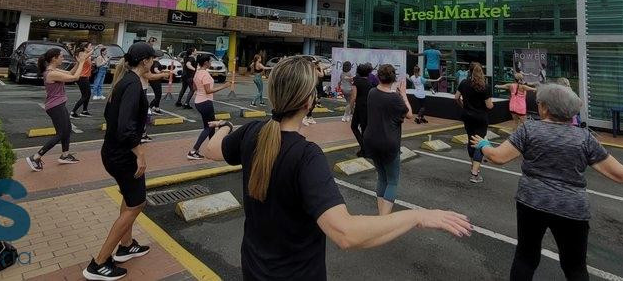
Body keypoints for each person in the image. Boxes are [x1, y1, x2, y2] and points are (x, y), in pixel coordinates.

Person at [198, 56, 472, 280]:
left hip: (254, 270)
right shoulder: (306, 156)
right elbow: (346, 233)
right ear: (309, 102)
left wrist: (225, 127)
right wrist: (417, 216)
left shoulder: (252, 133)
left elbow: (208, 150)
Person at [471, 84, 623, 280]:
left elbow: (498, 157)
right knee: (575, 267)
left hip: (531, 203)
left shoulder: (529, 130)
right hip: (572, 209)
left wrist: (484, 144)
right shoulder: (584, 138)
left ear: (546, 108)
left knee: (525, 258)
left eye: (540, 103)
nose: (538, 105)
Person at [84, 42, 171, 281]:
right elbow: (125, 127)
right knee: (137, 204)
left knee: (129, 197)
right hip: (123, 155)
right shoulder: (132, 85)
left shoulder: (125, 81)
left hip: (112, 152)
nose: (154, 62)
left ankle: (126, 245)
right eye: (152, 59)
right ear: (144, 61)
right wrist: (139, 152)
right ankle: (99, 262)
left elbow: (111, 118)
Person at [26, 46, 91, 171]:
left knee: (67, 130)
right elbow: (75, 78)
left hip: (58, 105)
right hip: (55, 106)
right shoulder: (52, 73)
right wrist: (82, 62)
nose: (63, 58)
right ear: (54, 58)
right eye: (61, 56)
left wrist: (79, 62)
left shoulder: (54, 70)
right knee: (61, 133)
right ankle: (36, 157)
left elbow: (71, 73)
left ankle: (65, 155)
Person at [363, 64, 413, 215]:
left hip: (371, 141)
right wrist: (403, 94)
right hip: (388, 143)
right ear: (394, 79)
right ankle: (383, 220)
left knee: (382, 178)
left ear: (379, 76)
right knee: (392, 181)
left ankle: (381, 214)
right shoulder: (395, 99)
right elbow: (409, 114)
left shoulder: (372, 92)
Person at [186, 54, 233, 160]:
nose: (211, 63)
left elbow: (194, 87)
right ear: (206, 63)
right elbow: (208, 91)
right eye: (210, 61)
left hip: (199, 101)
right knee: (209, 127)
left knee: (210, 127)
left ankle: (214, 148)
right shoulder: (205, 75)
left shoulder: (197, 73)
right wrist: (224, 86)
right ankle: (193, 151)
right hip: (205, 102)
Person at [454, 62, 492, 183]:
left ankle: (473, 165)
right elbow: (489, 105)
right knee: (480, 143)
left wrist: (463, 106)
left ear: (469, 71)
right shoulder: (485, 86)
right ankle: (475, 173)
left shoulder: (464, 83)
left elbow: (456, 97)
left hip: (467, 116)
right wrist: (491, 105)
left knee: (471, 140)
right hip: (480, 117)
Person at [349, 63, 373, 157]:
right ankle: (366, 149)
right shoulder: (369, 83)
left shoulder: (357, 82)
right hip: (368, 107)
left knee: (354, 126)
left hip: (359, 107)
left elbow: (353, 96)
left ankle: (364, 149)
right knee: (364, 128)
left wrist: (350, 108)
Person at [70, 41, 94, 119]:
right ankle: (73, 112)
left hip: (85, 77)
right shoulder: (82, 54)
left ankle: (84, 111)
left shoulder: (87, 55)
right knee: (86, 95)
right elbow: (84, 58)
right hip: (81, 77)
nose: (91, 47)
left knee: (87, 94)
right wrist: (95, 49)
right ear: (85, 48)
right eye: (90, 46)